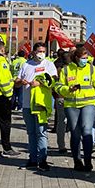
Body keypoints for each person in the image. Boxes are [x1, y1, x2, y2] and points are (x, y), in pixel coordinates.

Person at [54, 47, 95, 171]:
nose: (85, 60)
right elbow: (58, 86)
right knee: (75, 132)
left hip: (88, 103)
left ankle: (88, 161)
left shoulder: (91, 69)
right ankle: (77, 161)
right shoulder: (66, 70)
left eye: (86, 58)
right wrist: (68, 89)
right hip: (72, 105)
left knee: (87, 130)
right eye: (83, 58)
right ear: (76, 58)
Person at [17, 42, 58, 171]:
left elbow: (54, 80)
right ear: (33, 52)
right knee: (31, 133)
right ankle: (33, 159)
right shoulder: (26, 65)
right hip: (27, 104)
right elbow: (17, 82)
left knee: (41, 132)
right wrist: (20, 81)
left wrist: (40, 82)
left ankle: (43, 160)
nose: (41, 54)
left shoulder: (49, 64)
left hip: (41, 104)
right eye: (39, 51)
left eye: (43, 51)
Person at [53, 49, 70, 153]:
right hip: (68, 98)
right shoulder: (69, 69)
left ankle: (61, 145)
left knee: (60, 122)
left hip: (59, 97)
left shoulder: (55, 67)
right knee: (71, 123)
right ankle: (72, 145)